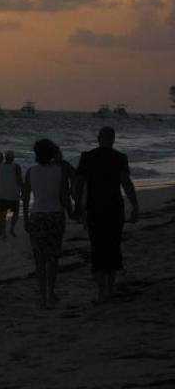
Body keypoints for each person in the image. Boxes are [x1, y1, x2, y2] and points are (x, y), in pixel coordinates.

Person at [74, 126, 139, 303]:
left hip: (94, 208)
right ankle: (109, 287)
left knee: (97, 247)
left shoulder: (87, 157)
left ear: (98, 138)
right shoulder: (119, 158)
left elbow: (78, 183)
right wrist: (135, 205)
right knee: (113, 246)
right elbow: (126, 183)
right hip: (114, 207)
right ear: (113, 139)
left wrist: (77, 205)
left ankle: (101, 290)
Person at [23, 138, 72, 308]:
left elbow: (26, 197)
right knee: (53, 258)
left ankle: (43, 297)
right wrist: (72, 211)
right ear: (52, 153)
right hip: (55, 215)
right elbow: (64, 195)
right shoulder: (59, 171)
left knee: (39, 259)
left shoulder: (30, 172)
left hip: (37, 215)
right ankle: (51, 293)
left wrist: (25, 218)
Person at [0, 150, 23, 238]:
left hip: (1, 194)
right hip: (13, 194)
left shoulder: (0, 166)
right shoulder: (16, 166)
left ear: (5, 157)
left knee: (3, 214)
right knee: (15, 213)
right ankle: (11, 229)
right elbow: (19, 180)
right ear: (13, 158)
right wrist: (23, 190)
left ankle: (3, 231)